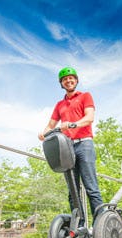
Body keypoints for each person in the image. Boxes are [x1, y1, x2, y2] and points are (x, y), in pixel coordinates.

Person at [38, 66, 104, 224]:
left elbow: (89, 118)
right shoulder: (59, 105)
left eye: (71, 78)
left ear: (76, 80)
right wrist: (43, 133)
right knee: (72, 191)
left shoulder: (85, 96)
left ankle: (99, 225)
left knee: (91, 187)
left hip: (84, 144)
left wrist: (72, 125)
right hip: (67, 148)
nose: (68, 81)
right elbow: (51, 125)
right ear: (61, 83)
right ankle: (79, 227)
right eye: (65, 79)